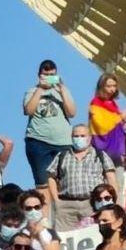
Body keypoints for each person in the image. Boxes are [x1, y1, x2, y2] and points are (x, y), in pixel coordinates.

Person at [45, 124, 117, 230]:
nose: (79, 138)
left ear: (89, 137)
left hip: (93, 204)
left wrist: (113, 201)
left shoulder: (100, 155)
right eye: (76, 136)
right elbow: (51, 177)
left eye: (83, 136)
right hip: (66, 206)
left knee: (95, 236)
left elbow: (111, 178)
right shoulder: (62, 156)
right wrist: (56, 200)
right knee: (65, 239)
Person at [23, 59, 77, 200]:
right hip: (38, 141)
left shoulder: (62, 91)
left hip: (63, 142)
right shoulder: (32, 91)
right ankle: (45, 218)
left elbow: (72, 113)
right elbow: (28, 110)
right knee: (43, 184)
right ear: (39, 75)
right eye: (45, 74)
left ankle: (63, 214)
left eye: (52, 75)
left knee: (65, 181)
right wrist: (40, 90)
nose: (48, 78)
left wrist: (62, 90)